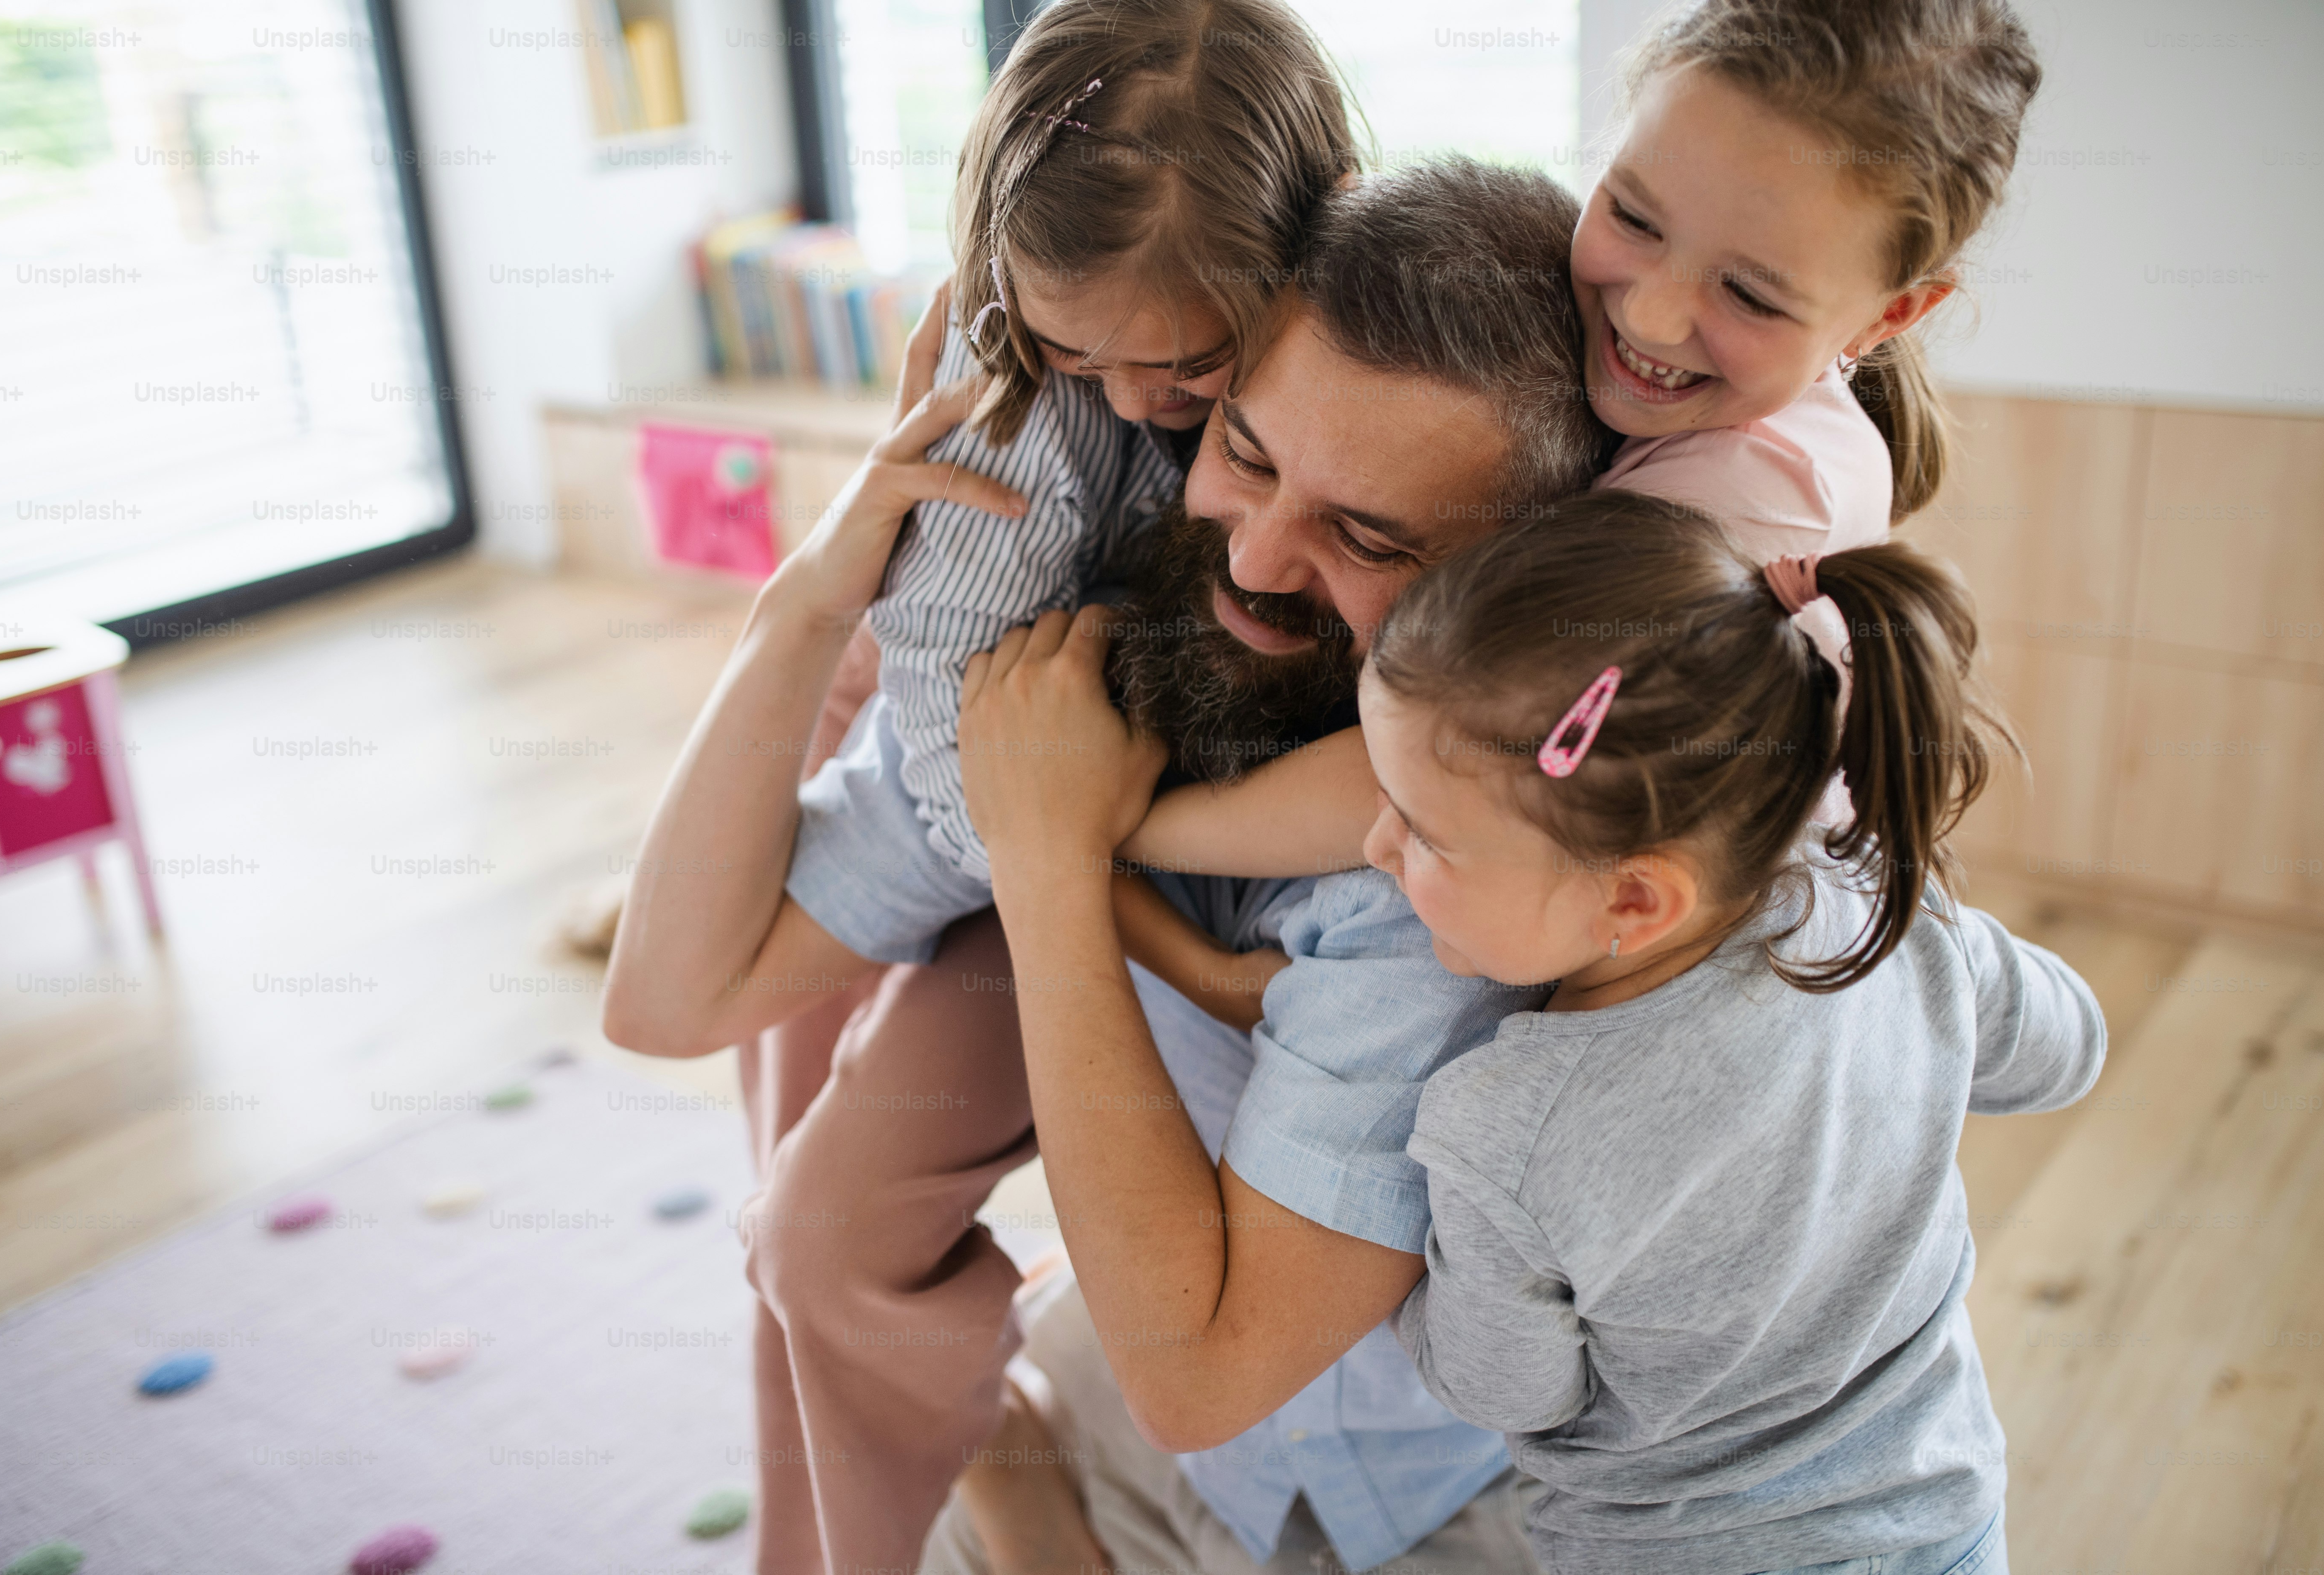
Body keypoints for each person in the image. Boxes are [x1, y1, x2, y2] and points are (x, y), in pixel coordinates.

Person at [602, 159, 1609, 1575]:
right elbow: (664, 999)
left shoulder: (1424, 882)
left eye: (1368, 538)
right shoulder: (1087, 674)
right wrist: (812, 590)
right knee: (816, 1248)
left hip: (1450, 1485)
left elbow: (1202, 1368)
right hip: (1164, 1413)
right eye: (1247, 455)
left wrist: (1056, 849)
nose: (1254, 560)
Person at [957, 490, 2104, 1575]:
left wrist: (1396, 1235)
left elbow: (1503, 1388)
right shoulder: (1889, 917)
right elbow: (2067, 1049)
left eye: (1426, 840)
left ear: (1634, 903)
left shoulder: (1504, 1126)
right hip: (1938, 1522)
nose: (1376, 855)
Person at [1120, 0, 2044, 881]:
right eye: (1634, 218)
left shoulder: (1751, 501)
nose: (1648, 313)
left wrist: (1109, 830)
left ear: (1895, 314)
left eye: (1752, 296)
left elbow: (1440, 763)